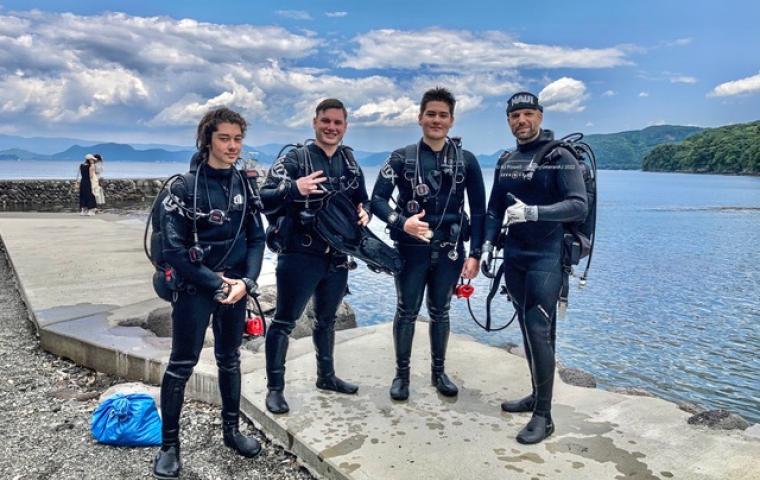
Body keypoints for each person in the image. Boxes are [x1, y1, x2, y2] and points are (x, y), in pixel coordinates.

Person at [153, 107, 265, 479]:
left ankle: (232, 431)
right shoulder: (183, 188)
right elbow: (173, 251)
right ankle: (169, 446)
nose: (233, 146)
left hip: (234, 289)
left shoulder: (245, 185)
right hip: (195, 289)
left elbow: (257, 239)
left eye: (238, 139)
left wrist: (246, 283)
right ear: (207, 140)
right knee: (181, 364)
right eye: (224, 138)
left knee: (229, 359)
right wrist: (216, 284)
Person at [483, 92, 587, 444]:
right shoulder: (507, 160)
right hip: (514, 256)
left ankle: (544, 416)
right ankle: (536, 396)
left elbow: (578, 205)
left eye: (528, 114)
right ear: (508, 121)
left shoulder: (560, 157)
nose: (522, 121)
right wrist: (486, 245)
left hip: (546, 256)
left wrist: (534, 212)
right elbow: (494, 208)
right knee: (527, 330)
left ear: (540, 116)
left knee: (538, 328)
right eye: (515, 116)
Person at [370, 87, 486, 401]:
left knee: (441, 311)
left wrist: (476, 254)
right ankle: (402, 375)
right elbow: (376, 200)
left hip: (450, 249)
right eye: (431, 114)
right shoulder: (401, 158)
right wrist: (401, 222)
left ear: (451, 120)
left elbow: (479, 210)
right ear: (420, 117)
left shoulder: (467, 161)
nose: (436, 120)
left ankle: (439, 372)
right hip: (411, 248)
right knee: (406, 310)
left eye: (443, 115)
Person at [259, 98, 369, 414]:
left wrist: (366, 213)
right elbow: (264, 197)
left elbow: (363, 200)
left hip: (337, 258)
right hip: (299, 254)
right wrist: (294, 188)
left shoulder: (350, 163)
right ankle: (275, 389)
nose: (331, 127)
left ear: (345, 126)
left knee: (326, 320)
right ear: (315, 122)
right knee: (284, 322)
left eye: (337, 122)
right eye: (326, 121)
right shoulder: (296, 158)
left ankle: (326, 376)